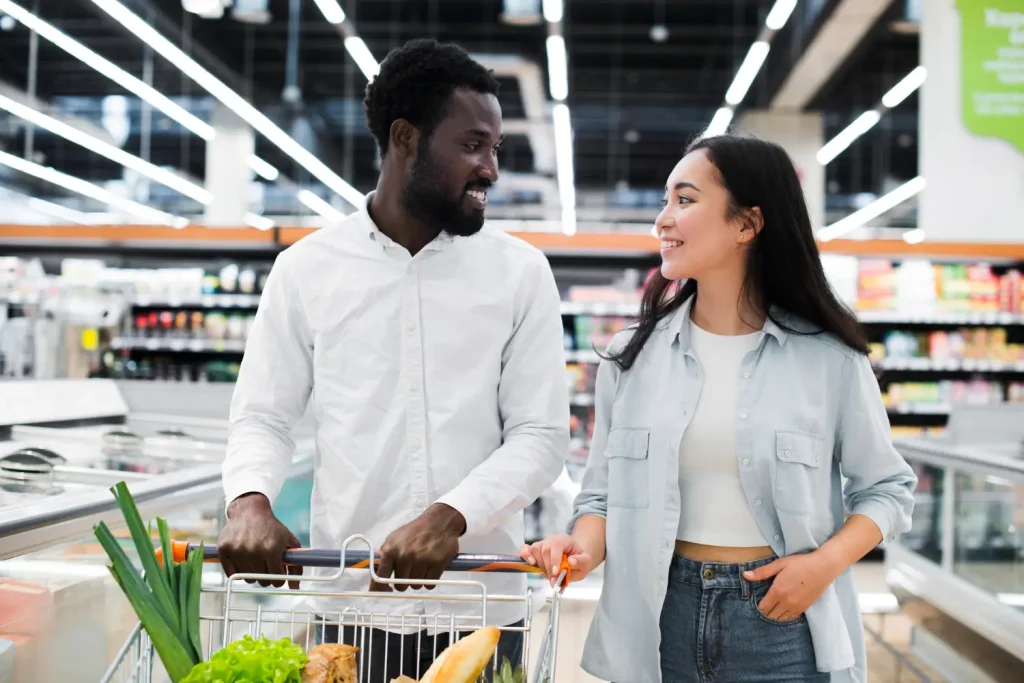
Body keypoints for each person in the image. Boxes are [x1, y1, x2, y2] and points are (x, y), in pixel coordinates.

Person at [217, 38, 570, 682]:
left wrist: (450, 517)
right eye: (471, 145)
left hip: (481, 608)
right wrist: (249, 502)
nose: (490, 167)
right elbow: (264, 416)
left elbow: (541, 436)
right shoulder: (306, 270)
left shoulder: (519, 274)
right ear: (405, 137)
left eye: (495, 148)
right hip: (350, 611)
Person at [522, 135, 917, 683]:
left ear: (746, 224)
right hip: (662, 614)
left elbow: (888, 491)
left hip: (782, 616)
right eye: (665, 201)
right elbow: (603, 496)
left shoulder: (829, 360)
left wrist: (822, 566)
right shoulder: (629, 358)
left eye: (684, 200)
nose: (663, 219)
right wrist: (581, 547)